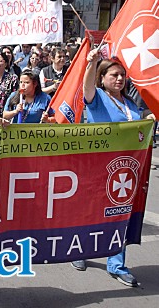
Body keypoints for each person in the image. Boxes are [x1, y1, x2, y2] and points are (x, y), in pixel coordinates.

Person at [70, 50, 155, 287]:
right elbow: (86, 87)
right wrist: (93, 62)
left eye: (123, 76)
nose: (119, 79)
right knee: (89, 213)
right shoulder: (96, 96)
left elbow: (139, 128)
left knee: (120, 215)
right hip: (97, 168)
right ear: (102, 77)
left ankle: (116, 264)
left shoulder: (129, 104)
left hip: (124, 171)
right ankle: (78, 252)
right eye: (114, 75)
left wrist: (148, 117)